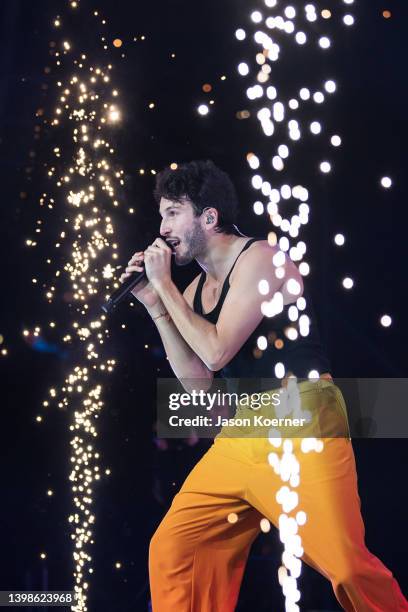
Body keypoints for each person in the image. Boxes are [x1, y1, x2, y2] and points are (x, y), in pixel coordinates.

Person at [120, 160, 408, 611]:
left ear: (208, 217)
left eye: (174, 212)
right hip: (242, 431)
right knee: (176, 550)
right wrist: (157, 303)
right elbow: (201, 388)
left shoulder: (262, 259)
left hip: (301, 415)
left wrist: (166, 288)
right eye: (162, 215)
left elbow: (216, 352)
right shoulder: (193, 292)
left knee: (346, 566)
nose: (163, 227)